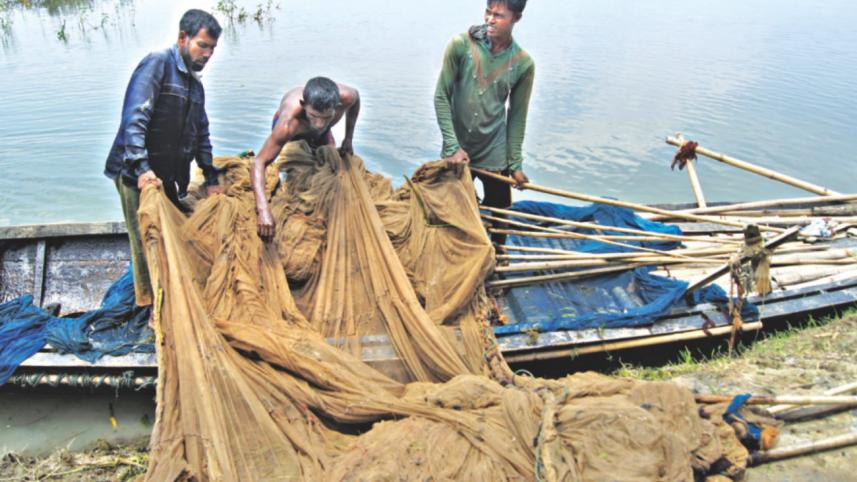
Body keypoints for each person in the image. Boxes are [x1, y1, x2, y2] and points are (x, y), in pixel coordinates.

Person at [103, 9, 223, 306]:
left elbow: (201, 133)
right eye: (202, 45)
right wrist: (141, 168)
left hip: (166, 177)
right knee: (147, 242)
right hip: (137, 175)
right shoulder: (158, 64)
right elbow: (135, 118)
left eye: (212, 49)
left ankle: (167, 294)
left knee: (172, 236)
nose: (207, 54)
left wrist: (210, 176)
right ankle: (149, 306)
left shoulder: (194, 85)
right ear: (183, 38)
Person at [434, 0, 534, 247]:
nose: (490, 19)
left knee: (500, 215)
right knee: (447, 215)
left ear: (516, 19)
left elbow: (517, 116)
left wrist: (515, 163)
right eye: (488, 12)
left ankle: (499, 255)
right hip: (459, 149)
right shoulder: (461, 45)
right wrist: (451, 147)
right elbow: (441, 96)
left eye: (499, 15)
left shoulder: (523, 63)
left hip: (493, 151)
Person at [251, 77, 360, 240]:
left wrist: (348, 138)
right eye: (314, 115)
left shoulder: (347, 97)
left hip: (322, 135)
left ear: (337, 107)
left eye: (326, 117)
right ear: (303, 105)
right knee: (294, 177)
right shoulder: (288, 124)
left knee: (329, 170)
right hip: (296, 133)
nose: (319, 123)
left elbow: (356, 100)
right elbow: (258, 162)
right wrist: (263, 211)